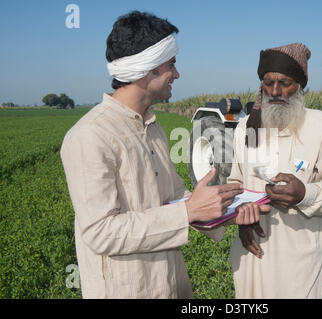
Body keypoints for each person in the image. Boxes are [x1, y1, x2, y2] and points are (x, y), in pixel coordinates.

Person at [60, 10, 267, 299]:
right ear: (148, 69)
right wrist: (189, 211)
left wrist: (225, 209)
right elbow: (101, 232)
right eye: (171, 64)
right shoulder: (89, 137)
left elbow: (174, 196)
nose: (177, 74)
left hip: (171, 282)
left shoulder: (152, 127)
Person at [226, 43, 322, 298]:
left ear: (299, 86)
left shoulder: (319, 125)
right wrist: (242, 220)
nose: (275, 91)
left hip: (300, 250)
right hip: (254, 246)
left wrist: (305, 194)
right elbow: (236, 181)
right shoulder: (245, 129)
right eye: (267, 82)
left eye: (284, 83)